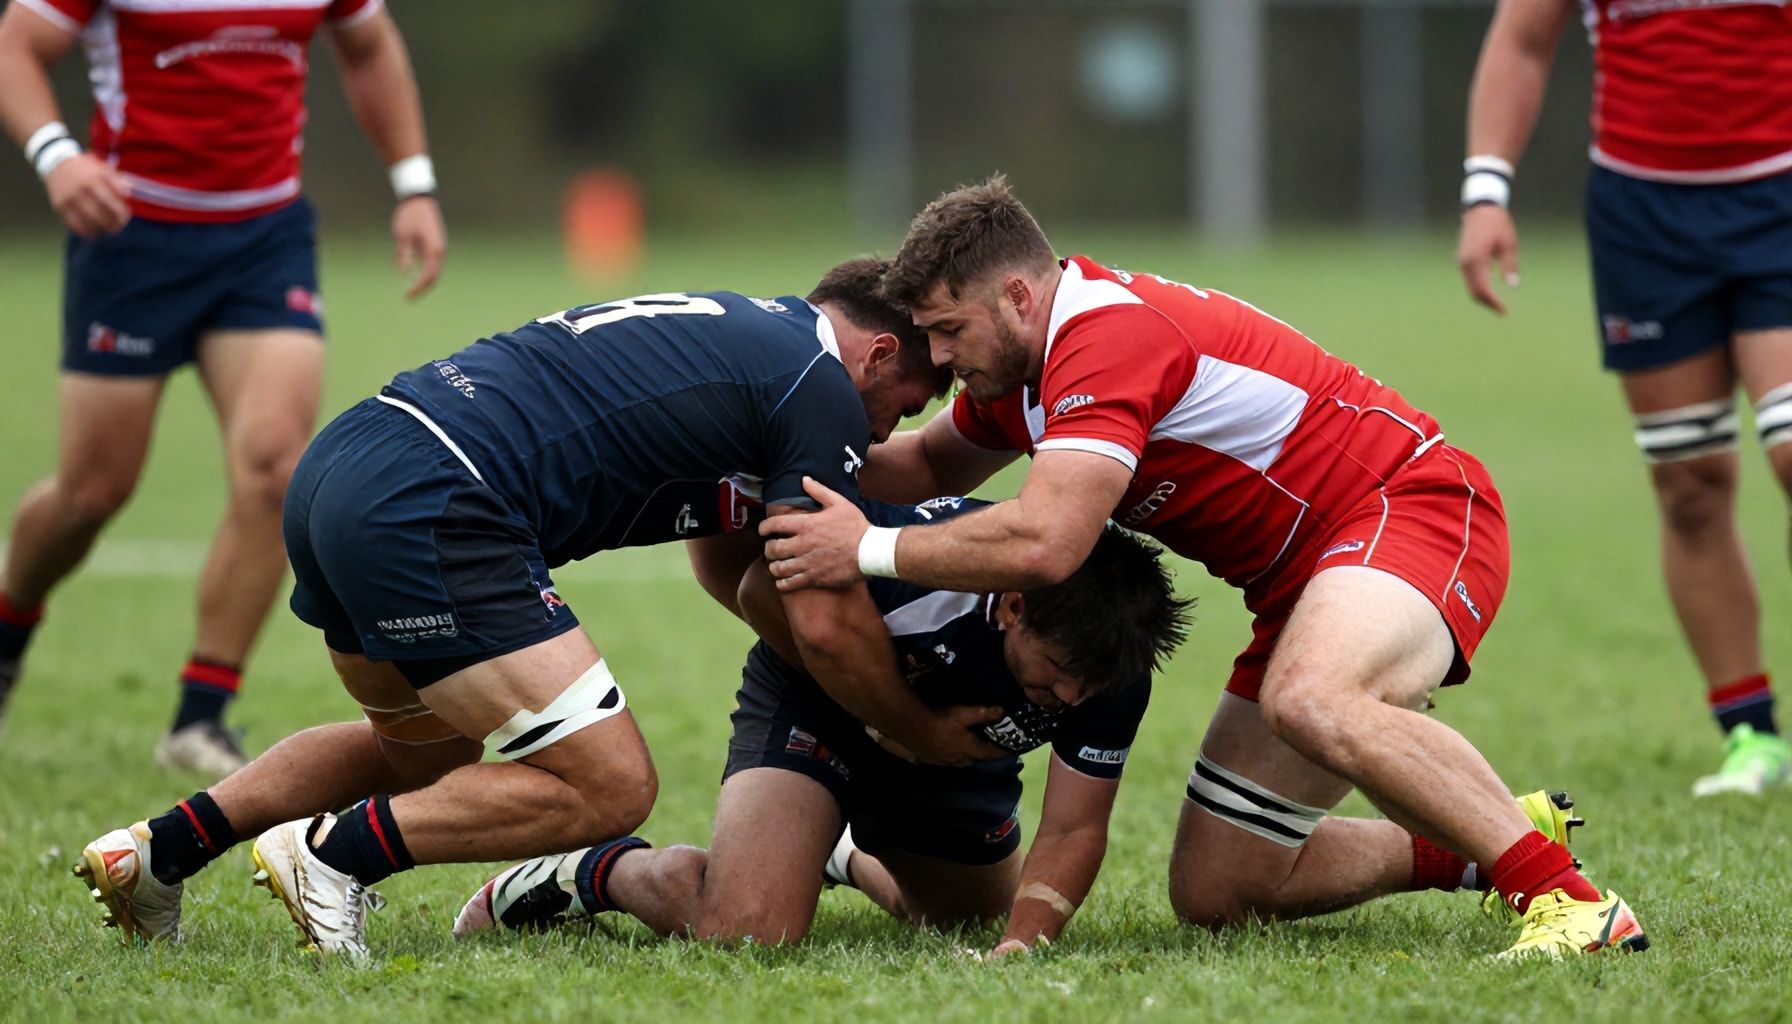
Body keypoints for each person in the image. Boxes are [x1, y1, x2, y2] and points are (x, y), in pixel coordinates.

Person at [761, 177, 1649, 959]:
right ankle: (1491, 837)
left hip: (1407, 506)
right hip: (1304, 585)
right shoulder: (1031, 374)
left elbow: (1046, 544)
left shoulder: (1104, 341)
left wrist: (866, 547)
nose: (943, 360)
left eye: (950, 330)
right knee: (1221, 887)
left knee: (1310, 698)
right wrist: (758, 451)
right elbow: (917, 468)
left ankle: (1571, 905)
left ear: (1019, 296)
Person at [72, 260, 994, 959]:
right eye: (907, 402)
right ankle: (335, 855)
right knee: (611, 786)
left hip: (351, 461)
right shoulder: (820, 386)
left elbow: (726, 562)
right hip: (439, 500)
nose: (884, 432)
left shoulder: (749, 338)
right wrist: (911, 728)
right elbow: (824, 614)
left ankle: (158, 851)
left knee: (420, 752)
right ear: (877, 353)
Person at [0, 0, 448, 775]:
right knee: (92, 491)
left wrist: (413, 184)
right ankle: (8, 628)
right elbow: (16, 44)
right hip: (128, 239)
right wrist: (56, 155)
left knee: (279, 468)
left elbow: (369, 46)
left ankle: (200, 716)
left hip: (263, 241)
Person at [454, 501, 1191, 957]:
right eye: (1057, 669)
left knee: (959, 919)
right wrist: (893, 715)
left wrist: (1021, 946)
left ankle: (835, 853)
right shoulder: (928, 559)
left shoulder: (1107, 660)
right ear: (1014, 606)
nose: (1066, 696)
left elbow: (1072, 831)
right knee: (746, 932)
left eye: (1082, 687)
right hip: (821, 705)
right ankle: (591, 873)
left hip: (946, 760)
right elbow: (757, 587)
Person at [1456, 0, 1792, 797]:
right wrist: (1484, 191)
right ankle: (1752, 736)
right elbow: (1523, 40)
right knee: (1690, 487)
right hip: (1644, 218)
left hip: (1780, 194)